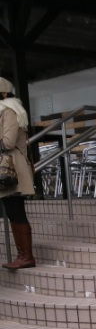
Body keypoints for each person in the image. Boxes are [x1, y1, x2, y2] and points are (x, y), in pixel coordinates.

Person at [0, 77, 36, 269]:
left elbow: (7, 142)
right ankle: (23, 255)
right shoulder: (6, 109)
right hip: (8, 166)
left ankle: (26, 256)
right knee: (13, 211)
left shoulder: (9, 110)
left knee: (15, 210)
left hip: (12, 167)